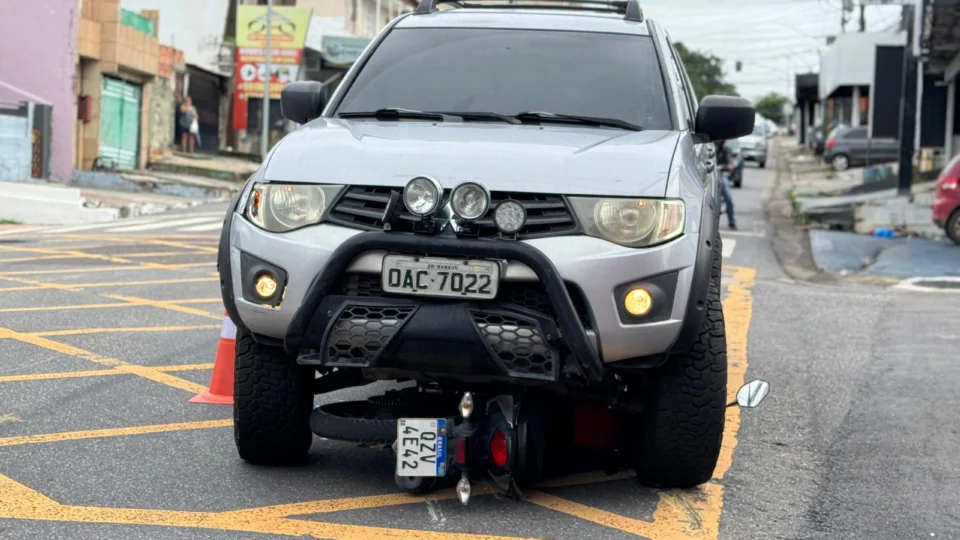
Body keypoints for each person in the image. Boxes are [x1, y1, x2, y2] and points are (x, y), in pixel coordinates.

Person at [715, 140, 737, 230]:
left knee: (728, 198)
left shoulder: (726, 150)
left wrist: (721, 167)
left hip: (720, 175)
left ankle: (731, 222)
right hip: (707, 175)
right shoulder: (707, 148)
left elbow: (731, 166)